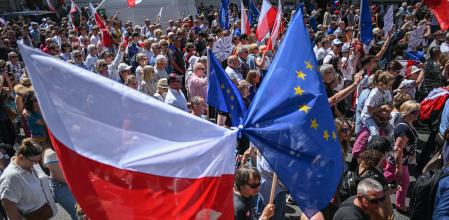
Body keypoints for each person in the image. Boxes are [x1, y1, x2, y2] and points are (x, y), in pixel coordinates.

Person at [0, 138, 57, 220]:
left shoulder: (30, 164)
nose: (36, 163)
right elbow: (8, 206)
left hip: (46, 214)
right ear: (21, 157)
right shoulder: (11, 177)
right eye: (34, 161)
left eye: (38, 160)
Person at [384, 100, 420, 214]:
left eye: (418, 111)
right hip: (397, 161)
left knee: (388, 180)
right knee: (402, 181)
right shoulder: (403, 128)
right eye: (414, 112)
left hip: (401, 161)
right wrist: (398, 167)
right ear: (407, 112)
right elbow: (398, 149)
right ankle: (399, 204)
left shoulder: (408, 123)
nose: (417, 114)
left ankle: (378, 195)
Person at [43, 144, 77, 219]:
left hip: (72, 184)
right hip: (63, 187)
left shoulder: (67, 146)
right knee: (78, 214)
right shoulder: (50, 153)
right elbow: (59, 177)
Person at [361, 71, 394, 140]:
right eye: (389, 85)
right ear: (381, 84)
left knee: (392, 130)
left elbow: (389, 103)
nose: (391, 87)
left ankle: (385, 145)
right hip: (368, 116)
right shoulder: (374, 94)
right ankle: (371, 147)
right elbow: (369, 110)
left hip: (379, 115)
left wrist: (386, 110)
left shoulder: (386, 91)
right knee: (375, 133)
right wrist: (382, 107)